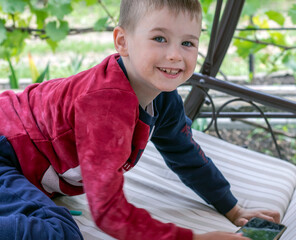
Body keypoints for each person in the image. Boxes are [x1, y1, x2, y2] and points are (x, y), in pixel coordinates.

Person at [0, 0, 280, 239]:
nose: (175, 55)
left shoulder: (162, 96)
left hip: (24, 165)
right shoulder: (105, 105)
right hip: (6, 147)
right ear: (122, 42)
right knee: (57, 232)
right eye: (160, 38)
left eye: (187, 43)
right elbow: (108, 211)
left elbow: (186, 155)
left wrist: (232, 208)